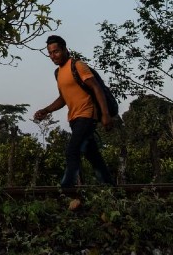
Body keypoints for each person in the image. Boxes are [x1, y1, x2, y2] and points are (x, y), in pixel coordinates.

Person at [32, 34, 116, 187]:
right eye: (50, 53)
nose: (53, 56)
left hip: (87, 115)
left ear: (64, 49)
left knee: (72, 150)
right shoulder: (58, 73)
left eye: (56, 51)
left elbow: (96, 88)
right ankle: (110, 186)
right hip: (74, 118)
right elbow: (63, 98)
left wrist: (105, 114)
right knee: (93, 155)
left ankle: (67, 187)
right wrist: (46, 110)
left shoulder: (77, 65)